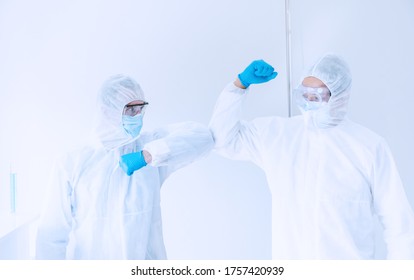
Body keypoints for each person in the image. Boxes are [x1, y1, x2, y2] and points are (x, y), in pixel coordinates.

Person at [209, 55, 414, 259]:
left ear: (340, 96)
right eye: (304, 95)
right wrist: (240, 85)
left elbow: (399, 225)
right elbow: (222, 140)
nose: (309, 103)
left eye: (317, 96)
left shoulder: (369, 147)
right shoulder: (277, 135)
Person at [36, 74, 214, 259]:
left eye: (140, 109)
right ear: (106, 111)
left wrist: (148, 155)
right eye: (130, 110)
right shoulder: (73, 162)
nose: (137, 116)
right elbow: (51, 236)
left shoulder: (149, 148)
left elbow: (204, 137)